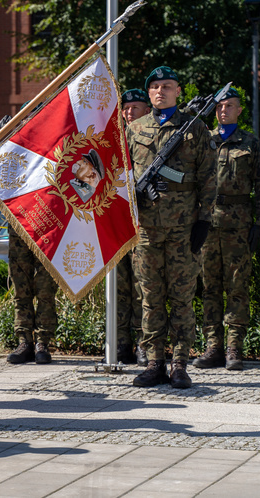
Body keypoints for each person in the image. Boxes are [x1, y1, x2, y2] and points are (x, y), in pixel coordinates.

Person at [126, 66, 216, 389]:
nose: (160, 91)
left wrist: (204, 220)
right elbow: (122, 172)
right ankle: (154, 362)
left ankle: (179, 363)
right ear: (149, 93)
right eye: (155, 87)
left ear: (179, 91)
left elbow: (208, 178)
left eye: (167, 86)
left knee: (181, 297)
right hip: (147, 231)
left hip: (182, 230)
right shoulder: (135, 129)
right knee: (150, 297)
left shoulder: (195, 130)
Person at [0, 111, 58, 365]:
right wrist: (1, 127)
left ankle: (43, 343)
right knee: (21, 286)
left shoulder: (49, 139)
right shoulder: (11, 140)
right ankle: (24, 341)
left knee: (45, 287)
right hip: (19, 223)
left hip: (47, 223)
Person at [193, 87, 260, 371]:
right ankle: (213, 347)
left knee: (237, 286)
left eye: (230, 106)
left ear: (239, 110)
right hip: (207, 222)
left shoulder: (250, 143)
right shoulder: (204, 140)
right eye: (220, 106)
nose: (224, 110)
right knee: (209, 286)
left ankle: (234, 347)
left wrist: (258, 222)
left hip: (238, 222)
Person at [116, 88, 149, 365]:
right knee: (118, 286)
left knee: (141, 286)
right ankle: (120, 343)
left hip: (144, 224)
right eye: (126, 108)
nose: (129, 113)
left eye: (135, 108)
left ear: (147, 111)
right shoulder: (114, 140)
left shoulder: (151, 141)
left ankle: (142, 343)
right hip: (116, 222)